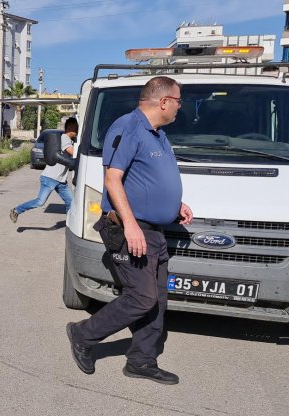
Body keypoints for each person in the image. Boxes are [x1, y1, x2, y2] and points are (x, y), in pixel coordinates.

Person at [65, 76, 193, 385]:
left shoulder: (158, 134)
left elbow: (147, 178)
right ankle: (83, 334)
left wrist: (175, 204)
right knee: (142, 297)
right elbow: (113, 179)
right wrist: (132, 224)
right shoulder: (128, 127)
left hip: (156, 230)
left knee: (157, 300)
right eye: (178, 101)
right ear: (163, 101)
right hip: (130, 230)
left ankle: (141, 361)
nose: (179, 107)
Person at [9, 117, 78, 223]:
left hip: (60, 180)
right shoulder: (64, 138)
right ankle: (16, 210)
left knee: (71, 201)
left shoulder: (70, 140)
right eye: (76, 127)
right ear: (70, 127)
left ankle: (69, 223)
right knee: (40, 202)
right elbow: (73, 152)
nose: (77, 129)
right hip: (50, 178)